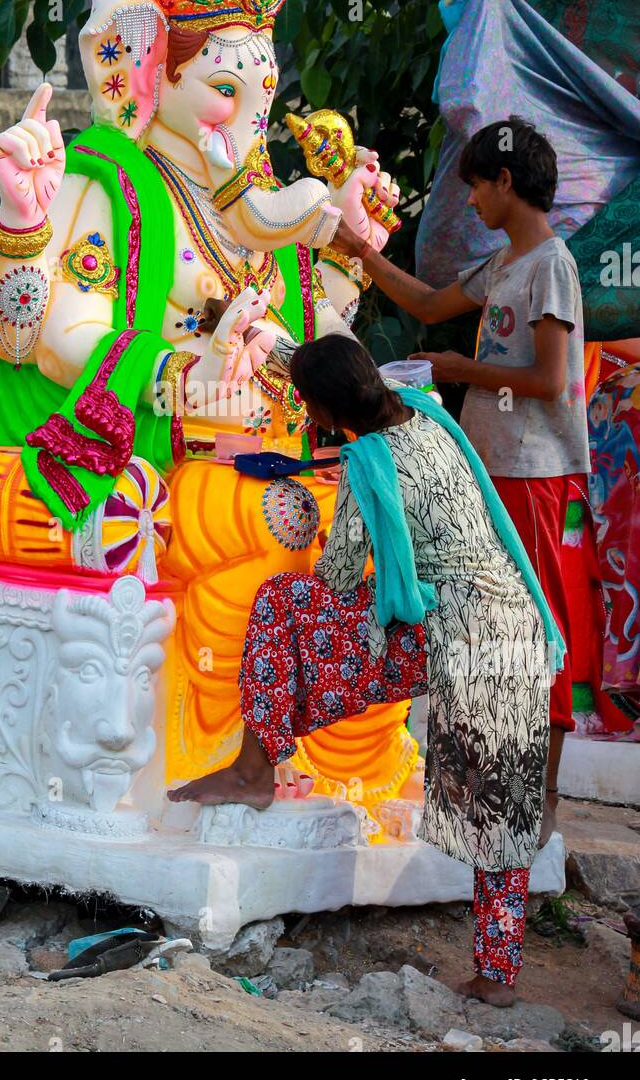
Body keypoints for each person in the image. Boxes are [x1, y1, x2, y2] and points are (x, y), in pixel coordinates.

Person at [170, 335, 563, 1005]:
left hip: (448, 635)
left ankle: (255, 763)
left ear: (319, 411)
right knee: (501, 805)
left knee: (282, 602)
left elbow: (339, 573)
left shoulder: (367, 459)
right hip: (515, 624)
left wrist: (342, 501)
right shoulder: (423, 411)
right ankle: (498, 977)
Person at [331, 116, 590, 844]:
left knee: (538, 619)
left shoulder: (551, 266)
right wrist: (355, 248)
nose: (470, 201)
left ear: (505, 182)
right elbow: (427, 303)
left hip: (533, 473)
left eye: (476, 185)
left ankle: (541, 795)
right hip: (493, 466)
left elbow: (546, 379)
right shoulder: (507, 263)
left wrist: (453, 370)